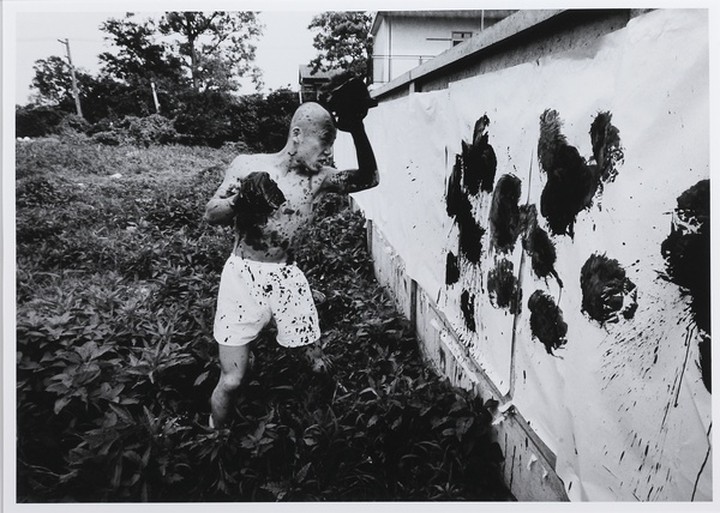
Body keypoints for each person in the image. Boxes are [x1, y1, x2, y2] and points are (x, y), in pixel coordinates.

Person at [204, 82, 379, 429]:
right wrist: (242, 201)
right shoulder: (248, 164)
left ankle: (315, 427)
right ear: (297, 135)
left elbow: (369, 178)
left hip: (287, 277)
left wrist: (357, 129)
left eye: (332, 145)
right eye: (324, 143)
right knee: (233, 380)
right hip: (242, 276)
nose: (328, 154)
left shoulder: (317, 179)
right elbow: (211, 213)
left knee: (317, 365)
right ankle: (215, 439)